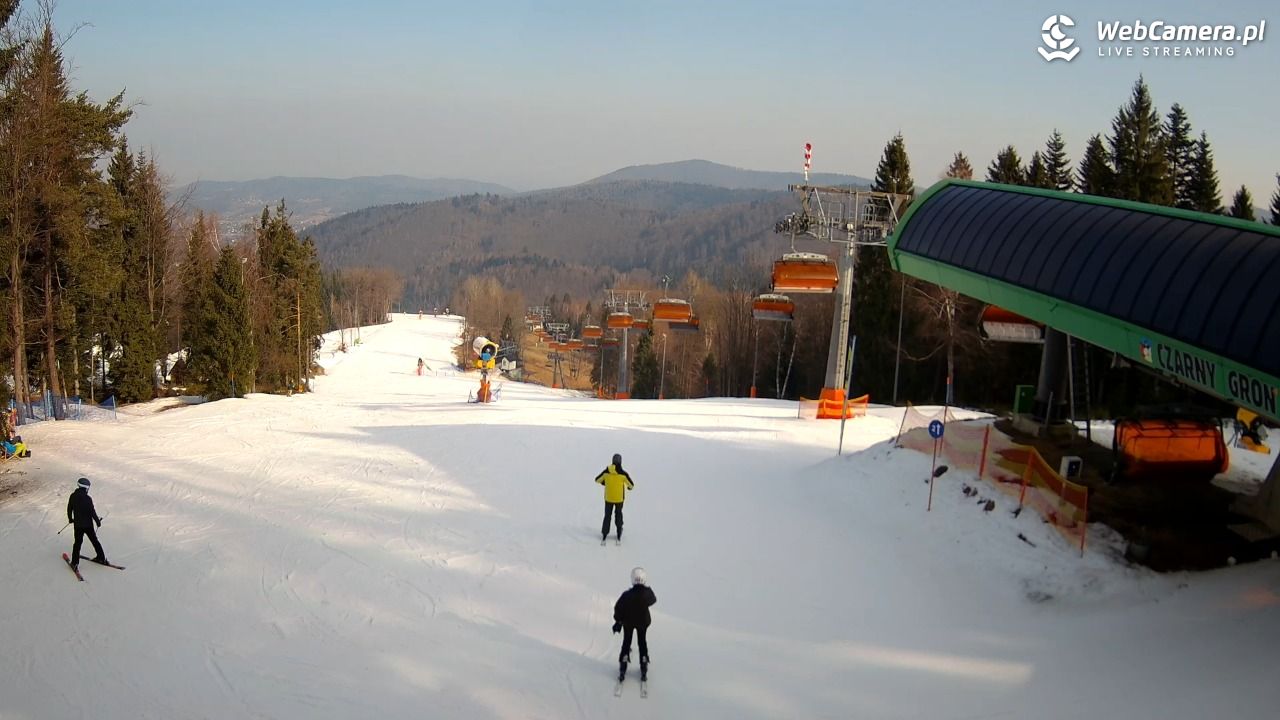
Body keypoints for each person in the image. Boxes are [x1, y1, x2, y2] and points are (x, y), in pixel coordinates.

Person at [612, 566, 657, 682]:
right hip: (643, 622)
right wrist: (646, 590)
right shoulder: (647, 594)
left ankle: (624, 661)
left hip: (628, 622)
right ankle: (643, 661)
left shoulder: (627, 595)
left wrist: (618, 620)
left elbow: (618, 608)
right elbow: (653, 599)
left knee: (627, 641)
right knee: (642, 642)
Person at [67, 477, 108, 570]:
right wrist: (97, 521)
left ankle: (74, 563)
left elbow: (69, 508)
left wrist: (70, 519)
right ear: (86, 488)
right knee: (95, 541)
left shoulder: (73, 496)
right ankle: (101, 558)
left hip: (78, 525)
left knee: (77, 543)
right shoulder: (88, 498)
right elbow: (92, 511)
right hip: (88, 525)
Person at [594, 453, 634, 542]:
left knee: (607, 515)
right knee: (618, 514)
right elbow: (631, 485)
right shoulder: (623, 474)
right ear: (621, 462)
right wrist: (629, 488)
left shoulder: (606, 472)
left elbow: (597, 480)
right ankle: (619, 531)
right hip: (619, 499)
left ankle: (605, 532)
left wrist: (604, 482)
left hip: (608, 498)